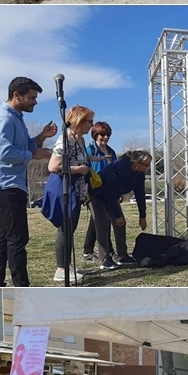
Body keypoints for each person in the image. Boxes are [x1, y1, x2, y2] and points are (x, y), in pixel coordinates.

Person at [0, 77, 57, 287]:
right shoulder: (4, 119)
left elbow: (24, 145)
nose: (35, 102)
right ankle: (21, 286)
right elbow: (4, 153)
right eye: (32, 98)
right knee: (17, 239)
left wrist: (41, 137)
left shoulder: (15, 118)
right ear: (17, 95)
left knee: (4, 238)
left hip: (8, 186)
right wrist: (33, 155)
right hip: (5, 187)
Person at [47, 105, 94, 284]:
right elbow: (53, 167)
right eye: (89, 121)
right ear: (79, 121)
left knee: (70, 228)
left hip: (76, 189)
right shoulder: (65, 140)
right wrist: (79, 169)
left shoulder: (80, 140)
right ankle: (61, 269)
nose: (92, 125)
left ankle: (68, 266)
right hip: (63, 188)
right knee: (65, 229)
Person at [89, 149, 151, 270]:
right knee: (103, 224)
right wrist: (117, 215)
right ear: (137, 163)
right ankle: (105, 259)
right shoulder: (118, 167)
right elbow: (109, 193)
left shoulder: (139, 173)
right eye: (146, 164)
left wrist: (142, 216)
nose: (148, 167)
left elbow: (140, 194)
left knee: (120, 224)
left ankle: (122, 256)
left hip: (112, 195)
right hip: (98, 195)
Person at [82, 122, 117, 262]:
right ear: (95, 135)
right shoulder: (90, 150)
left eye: (108, 134)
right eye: (102, 134)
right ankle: (109, 251)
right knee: (103, 220)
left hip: (109, 191)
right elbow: (85, 169)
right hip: (94, 191)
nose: (105, 137)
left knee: (97, 221)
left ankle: (87, 251)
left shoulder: (111, 152)